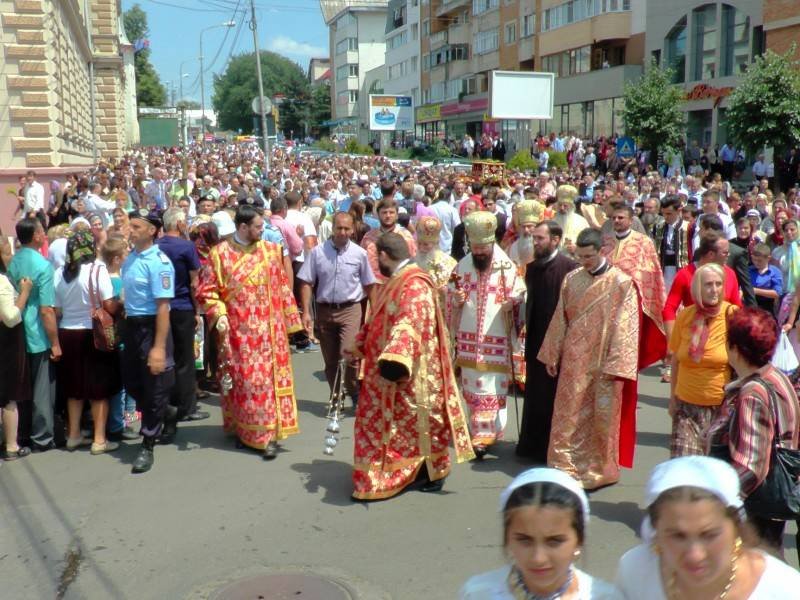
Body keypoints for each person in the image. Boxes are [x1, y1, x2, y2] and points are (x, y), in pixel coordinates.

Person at [348, 232, 473, 500]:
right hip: (385, 367)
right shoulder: (396, 280)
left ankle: (429, 472)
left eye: (374, 257)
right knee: (396, 427)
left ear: (383, 255)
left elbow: (410, 323)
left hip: (410, 371)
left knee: (416, 425)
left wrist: (395, 359)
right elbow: (378, 317)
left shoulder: (414, 284)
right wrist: (359, 343)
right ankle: (402, 469)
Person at [197, 205, 303, 460]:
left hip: (271, 332)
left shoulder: (270, 251)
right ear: (242, 227)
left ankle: (265, 435)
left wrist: (293, 324)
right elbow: (207, 291)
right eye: (258, 226)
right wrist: (219, 315)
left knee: (266, 384)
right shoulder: (219, 254)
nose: (262, 230)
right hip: (238, 334)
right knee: (244, 383)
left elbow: (282, 288)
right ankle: (245, 431)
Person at [538, 228, 640, 489]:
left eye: (589, 256)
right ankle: (562, 465)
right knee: (568, 414)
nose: (585, 262)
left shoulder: (621, 282)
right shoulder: (572, 279)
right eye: (581, 256)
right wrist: (553, 353)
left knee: (600, 418)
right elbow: (560, 317)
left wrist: (618, 365)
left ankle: (599, 470)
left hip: (604, 359)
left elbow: (626, 327)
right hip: (574, 358)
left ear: (602, 251)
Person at [616, 456, 800, 599]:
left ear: (736, 527)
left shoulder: (784, 589)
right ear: (656, 531)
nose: (695, 555)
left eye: (710, 535)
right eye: (678, 536)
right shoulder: (635, 570)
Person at [707, 307, 799, 555]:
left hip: (758, 507)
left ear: (735, 349)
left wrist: (721, 501)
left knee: (761, 568)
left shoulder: (753, 394)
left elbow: (752, 465)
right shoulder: (776, 377)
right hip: (772, 499)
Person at [460, 467, 620, 599]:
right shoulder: (478, 593)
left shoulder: (604, 596)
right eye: (525, 540)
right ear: (507, 538)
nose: (538, 558)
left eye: (554, 541)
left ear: (579, 540)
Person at [449, 211, 526, 458]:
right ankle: (479, 432)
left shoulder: (507, 268)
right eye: (475, 248)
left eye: (483, 248)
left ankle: (486, 434)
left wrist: (513, 303)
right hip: (469, 339)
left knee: (490, 387)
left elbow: (521, 294)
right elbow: (451, 291)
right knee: (473, 387)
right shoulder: (462, 265)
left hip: (497, 338)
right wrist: (456, 298)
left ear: (492, 243)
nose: (479, 253)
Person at [601, 204, 668, 469]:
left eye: (621, 217)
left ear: (631, 219)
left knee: (624, 374)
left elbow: (652, 277)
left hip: (631, 313)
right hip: (604, 313)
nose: (617, 221)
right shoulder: (604, 242)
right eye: (614, 217)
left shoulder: (643, 243)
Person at [297, 211, 375, 408]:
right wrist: (306, 312)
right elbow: (306, 282)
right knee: (330, 360)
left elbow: (369, 285)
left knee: (348, 355)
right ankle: (336, 396)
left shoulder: (360, 254)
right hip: (324, 311)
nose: (342, 232)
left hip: (350, 310)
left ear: (353, 230)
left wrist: (376, 312)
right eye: (339, 228)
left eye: (346, 228)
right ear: (332, 229)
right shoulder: (317, 252)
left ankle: (354, 390)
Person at [54, 230, 121, 454]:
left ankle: (73, 434)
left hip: (66, 333)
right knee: (98, 389)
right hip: (93, 333)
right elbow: (108, 304)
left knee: (74, 388)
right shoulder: (97, 269)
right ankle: (99, 439)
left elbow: (57, 308)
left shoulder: (60, 273)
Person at [517, 221, 578, 462]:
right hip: (534, 340)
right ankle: (531, 445)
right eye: (534, 238)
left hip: (558, 342)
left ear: (555, 240)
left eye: (540, 238)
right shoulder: (532, 267)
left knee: (552, 396)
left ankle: (551, 448)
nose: (536, 242)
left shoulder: (569, 268)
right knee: (534, 394)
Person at [121, 209, 177, 473]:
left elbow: (164, 306)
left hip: (153, 326)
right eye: (129, 225)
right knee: (132, 382)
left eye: (136, 226)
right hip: (131, 326)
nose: (130, 230)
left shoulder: (160, 263)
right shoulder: (130, 259)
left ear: (152, 231)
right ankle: (166, 412)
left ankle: (147, 444)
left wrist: (158, 346)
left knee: (153, 387)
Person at [668, 263, 737, 457]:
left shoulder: (732, 315)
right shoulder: (684, 316)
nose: (714, 290)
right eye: (708, 284)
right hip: (686, 407)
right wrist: (672, 397)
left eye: (718, 284)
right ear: (697, 287)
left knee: (712, 474)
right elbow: (676, 361)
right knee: (684, 470)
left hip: (721, 409)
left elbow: (744, 363)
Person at [7, 218, 60, 452]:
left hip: (18, 328)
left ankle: (23, 433)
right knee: (41, 388)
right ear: (37, 235)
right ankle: (42, 437)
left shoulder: (13, 262)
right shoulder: (43, 265)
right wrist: (55, 342)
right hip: (38, 332)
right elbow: (47, 310)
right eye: (42, 231)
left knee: (21, 387)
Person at [156, 208, 208, 428]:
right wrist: (197, 310)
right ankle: (187, 407)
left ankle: (168, 402)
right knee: (185, 358)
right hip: (183, 306)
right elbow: (195, 281)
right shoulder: (186, 247)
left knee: (167, 356)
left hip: (161, 308)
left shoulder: (155, 247)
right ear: (178, 224)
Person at [0, 236, 33, 460]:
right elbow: (10, 317)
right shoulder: (1, 281)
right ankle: (11, 445)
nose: (11, 254)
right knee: (9, 396)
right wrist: (24, 293)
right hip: (6, 341)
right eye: (7, 249)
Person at [360, 195, 416, 282]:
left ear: (397, 215)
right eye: (384, 212)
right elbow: (361, 262)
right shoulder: (368, 237)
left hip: (398, 284)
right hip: (373, 286)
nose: (388, 215)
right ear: (378, 214)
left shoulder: (406, 237)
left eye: (391, 212)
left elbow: (412, 262)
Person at [413, 215, 457, 296]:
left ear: (435, 243)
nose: (421, 248)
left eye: (426, 244)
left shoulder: (448, 263)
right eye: (419, 243)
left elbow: (452, 291)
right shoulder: (413, 261)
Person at [507, 200, 545, 272]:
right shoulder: (512, 248)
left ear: (537, 227)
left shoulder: (545, 247)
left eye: (529, 226)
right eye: (523, 227)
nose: (526, 230)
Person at [552, 185, 589, 257]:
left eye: (565, 205)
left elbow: (588, 241)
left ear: (572, 206)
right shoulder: (552, 220)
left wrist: (577, 248)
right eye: (560, 205)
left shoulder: (581, 221)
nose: (562, 208)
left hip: (575, 260)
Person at [749, 244, 783, 315]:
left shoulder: (774, 272)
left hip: (766, 307)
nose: (756, 263)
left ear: (768, 258)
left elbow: (777, 293)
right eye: (754, 260)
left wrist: (755, 291)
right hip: (749, 305)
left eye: (760, 260)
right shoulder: (749, 270)